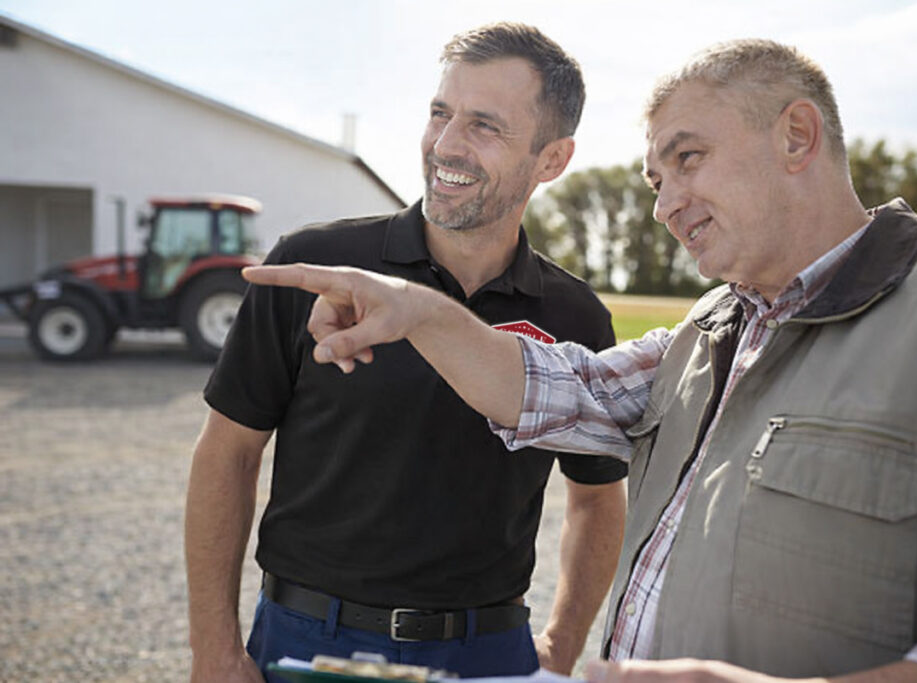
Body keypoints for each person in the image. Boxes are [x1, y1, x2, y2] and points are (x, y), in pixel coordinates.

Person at [241, 39, 917, 682]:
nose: (664, 202)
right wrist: (416, 310)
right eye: (655, 177)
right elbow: (556, 386)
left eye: (687, 159)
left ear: (796, 136)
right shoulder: (710, 329)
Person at [184, 22, 628, 683]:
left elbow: (596, 499)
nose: (446, 145)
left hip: (487, 652)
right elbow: (228, 452)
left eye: (484, 125)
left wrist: (561, 643)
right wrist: (215, 650)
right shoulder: (317, 265)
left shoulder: (574, 316)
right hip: (307, 639)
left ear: (551, 159)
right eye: (439, 114)